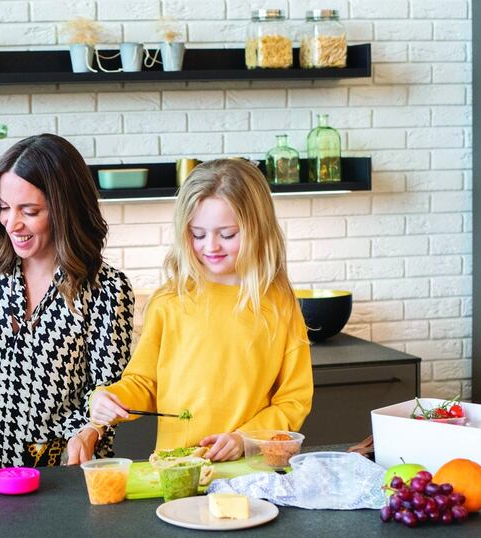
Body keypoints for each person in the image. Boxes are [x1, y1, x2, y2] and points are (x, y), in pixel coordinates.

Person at [0, 134, 134, 468]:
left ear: (65, 209)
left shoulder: (107, 289)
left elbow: (104, 396)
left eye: (30, 211)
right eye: (4, 208)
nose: (12, 223)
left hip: (60, 476)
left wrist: (89, 433)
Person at [89, 159, 313, 462]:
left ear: (258, 229)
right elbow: (144, 383)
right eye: (198, 234)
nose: (212, 246)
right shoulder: (169, 301)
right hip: (177, 468)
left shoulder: (278, 302)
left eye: (228, 234)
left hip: (251, 467)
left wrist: (244, 438)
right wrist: (110, 399)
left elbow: (293, 399)